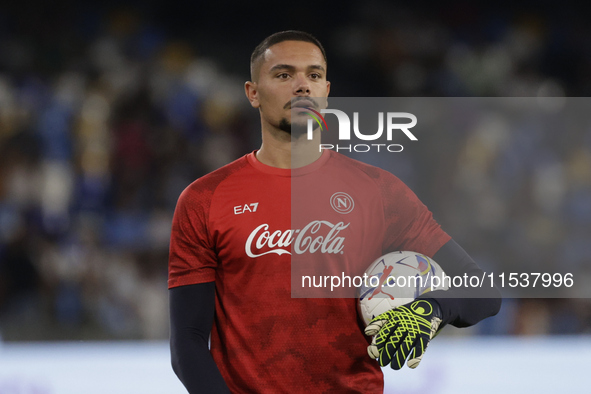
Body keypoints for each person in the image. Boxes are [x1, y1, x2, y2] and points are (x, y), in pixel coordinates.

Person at [168, 30, 501, 393]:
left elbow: (483, 290)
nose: (302, 87)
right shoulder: (205, 199)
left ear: (326, 92)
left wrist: (432, 309)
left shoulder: (378, 192)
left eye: (313, 75)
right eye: (283, 75)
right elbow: (188, 340)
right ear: (253, 93)